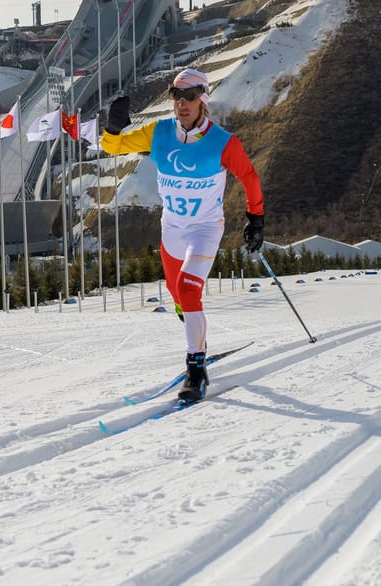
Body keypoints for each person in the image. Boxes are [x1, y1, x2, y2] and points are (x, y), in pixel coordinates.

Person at [101, 68, 264, 402]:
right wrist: (112, 128)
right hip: (172, 229)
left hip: (205, 229)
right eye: (176, 96)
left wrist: (255, 218)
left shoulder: (223, 142)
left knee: (190, 290)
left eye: (189, 96)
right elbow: (113, 147)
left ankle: (196, 368)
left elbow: (249, 176)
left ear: (203, 99)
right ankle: (194, 328)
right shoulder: (159, 132)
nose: (182, 104)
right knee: (177, 295)